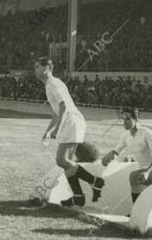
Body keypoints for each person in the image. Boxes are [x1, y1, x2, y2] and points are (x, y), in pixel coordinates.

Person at [35, 57, 104, 207]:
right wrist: (48, 131)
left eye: (38, 67)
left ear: (47, 68)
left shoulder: (53, 83)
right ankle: (78, 196)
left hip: (71, 121)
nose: (36, 70)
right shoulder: (51, 84)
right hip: (72, 121)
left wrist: (58, 128)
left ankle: (95, 181)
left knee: (61, 160)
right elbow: (56, 112)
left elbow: (63, 106)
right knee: (68, 165)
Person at [101, 108, 152, 203]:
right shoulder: (125, 135)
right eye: (123, 119)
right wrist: (107, 157)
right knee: (135, 178)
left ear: (136, 119)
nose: (125, 122)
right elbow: (116, 152)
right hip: (142, 170)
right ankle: (136, 211)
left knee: (133, 177)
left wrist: (148, 171)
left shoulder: (147, 132)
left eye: (128, 119)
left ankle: (135, 212)